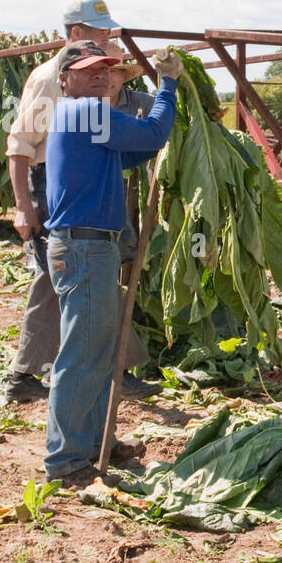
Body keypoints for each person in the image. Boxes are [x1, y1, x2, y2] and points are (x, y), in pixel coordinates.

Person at [3, 0, 159, 403]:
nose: (108, 37)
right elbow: (19, 147)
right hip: (52, 183)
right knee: (56, 280)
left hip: (86, 180)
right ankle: (26, 374)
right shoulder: (48, 79)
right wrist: (23, 205)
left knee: (94, 273)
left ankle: (113, 369)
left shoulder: (98, 78)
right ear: (76, 34)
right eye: (99, 31)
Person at [41, 40, 182, 485]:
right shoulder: (84, 113)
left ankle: (97, 443)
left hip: (89, 248)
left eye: (107, 69)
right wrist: (169, 86)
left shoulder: (86, 120)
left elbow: (135, 151)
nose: (101, 76)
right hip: (83, 250)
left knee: (98, 352)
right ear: (65, 80)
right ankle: (65, 461)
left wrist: (157, 131)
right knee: (82, 353)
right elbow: (152, 136)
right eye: (88, 69)